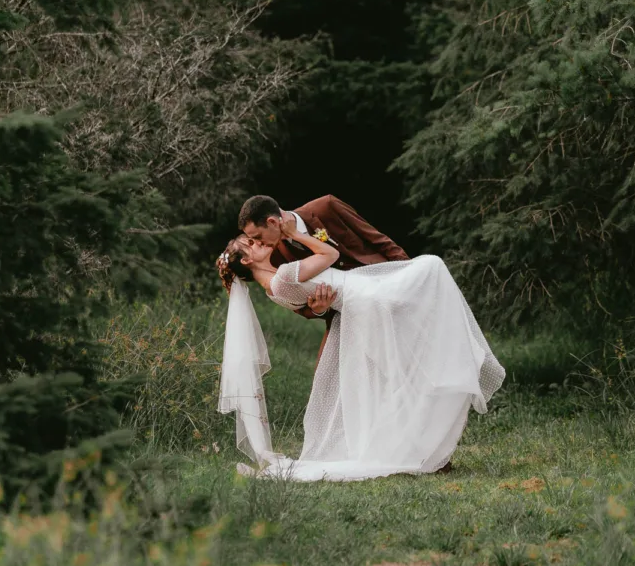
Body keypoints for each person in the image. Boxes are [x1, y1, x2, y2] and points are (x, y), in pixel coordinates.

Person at [216, 212, 505, 483]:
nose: (259, 243)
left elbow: (311, 300)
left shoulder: (274, 287)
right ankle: (425, 440)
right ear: (246, 261)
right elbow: (331, 254)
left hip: (366, 303)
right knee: (432, 269)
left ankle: (424, 441)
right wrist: (297, 235)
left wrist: (318, 307)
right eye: (250, 244)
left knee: (405, 366)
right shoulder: (283, 278)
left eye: (254, 238)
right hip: (370, 303)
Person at [238, 195, 409, 357]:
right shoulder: (274, 256)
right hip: (346, 314)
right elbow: (297, 303)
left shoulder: (326, 207)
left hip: (383, 281)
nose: (259, 243)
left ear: (273, 222)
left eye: (258, 236)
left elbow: (378, 240)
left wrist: (408, 274)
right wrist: (318, 310)